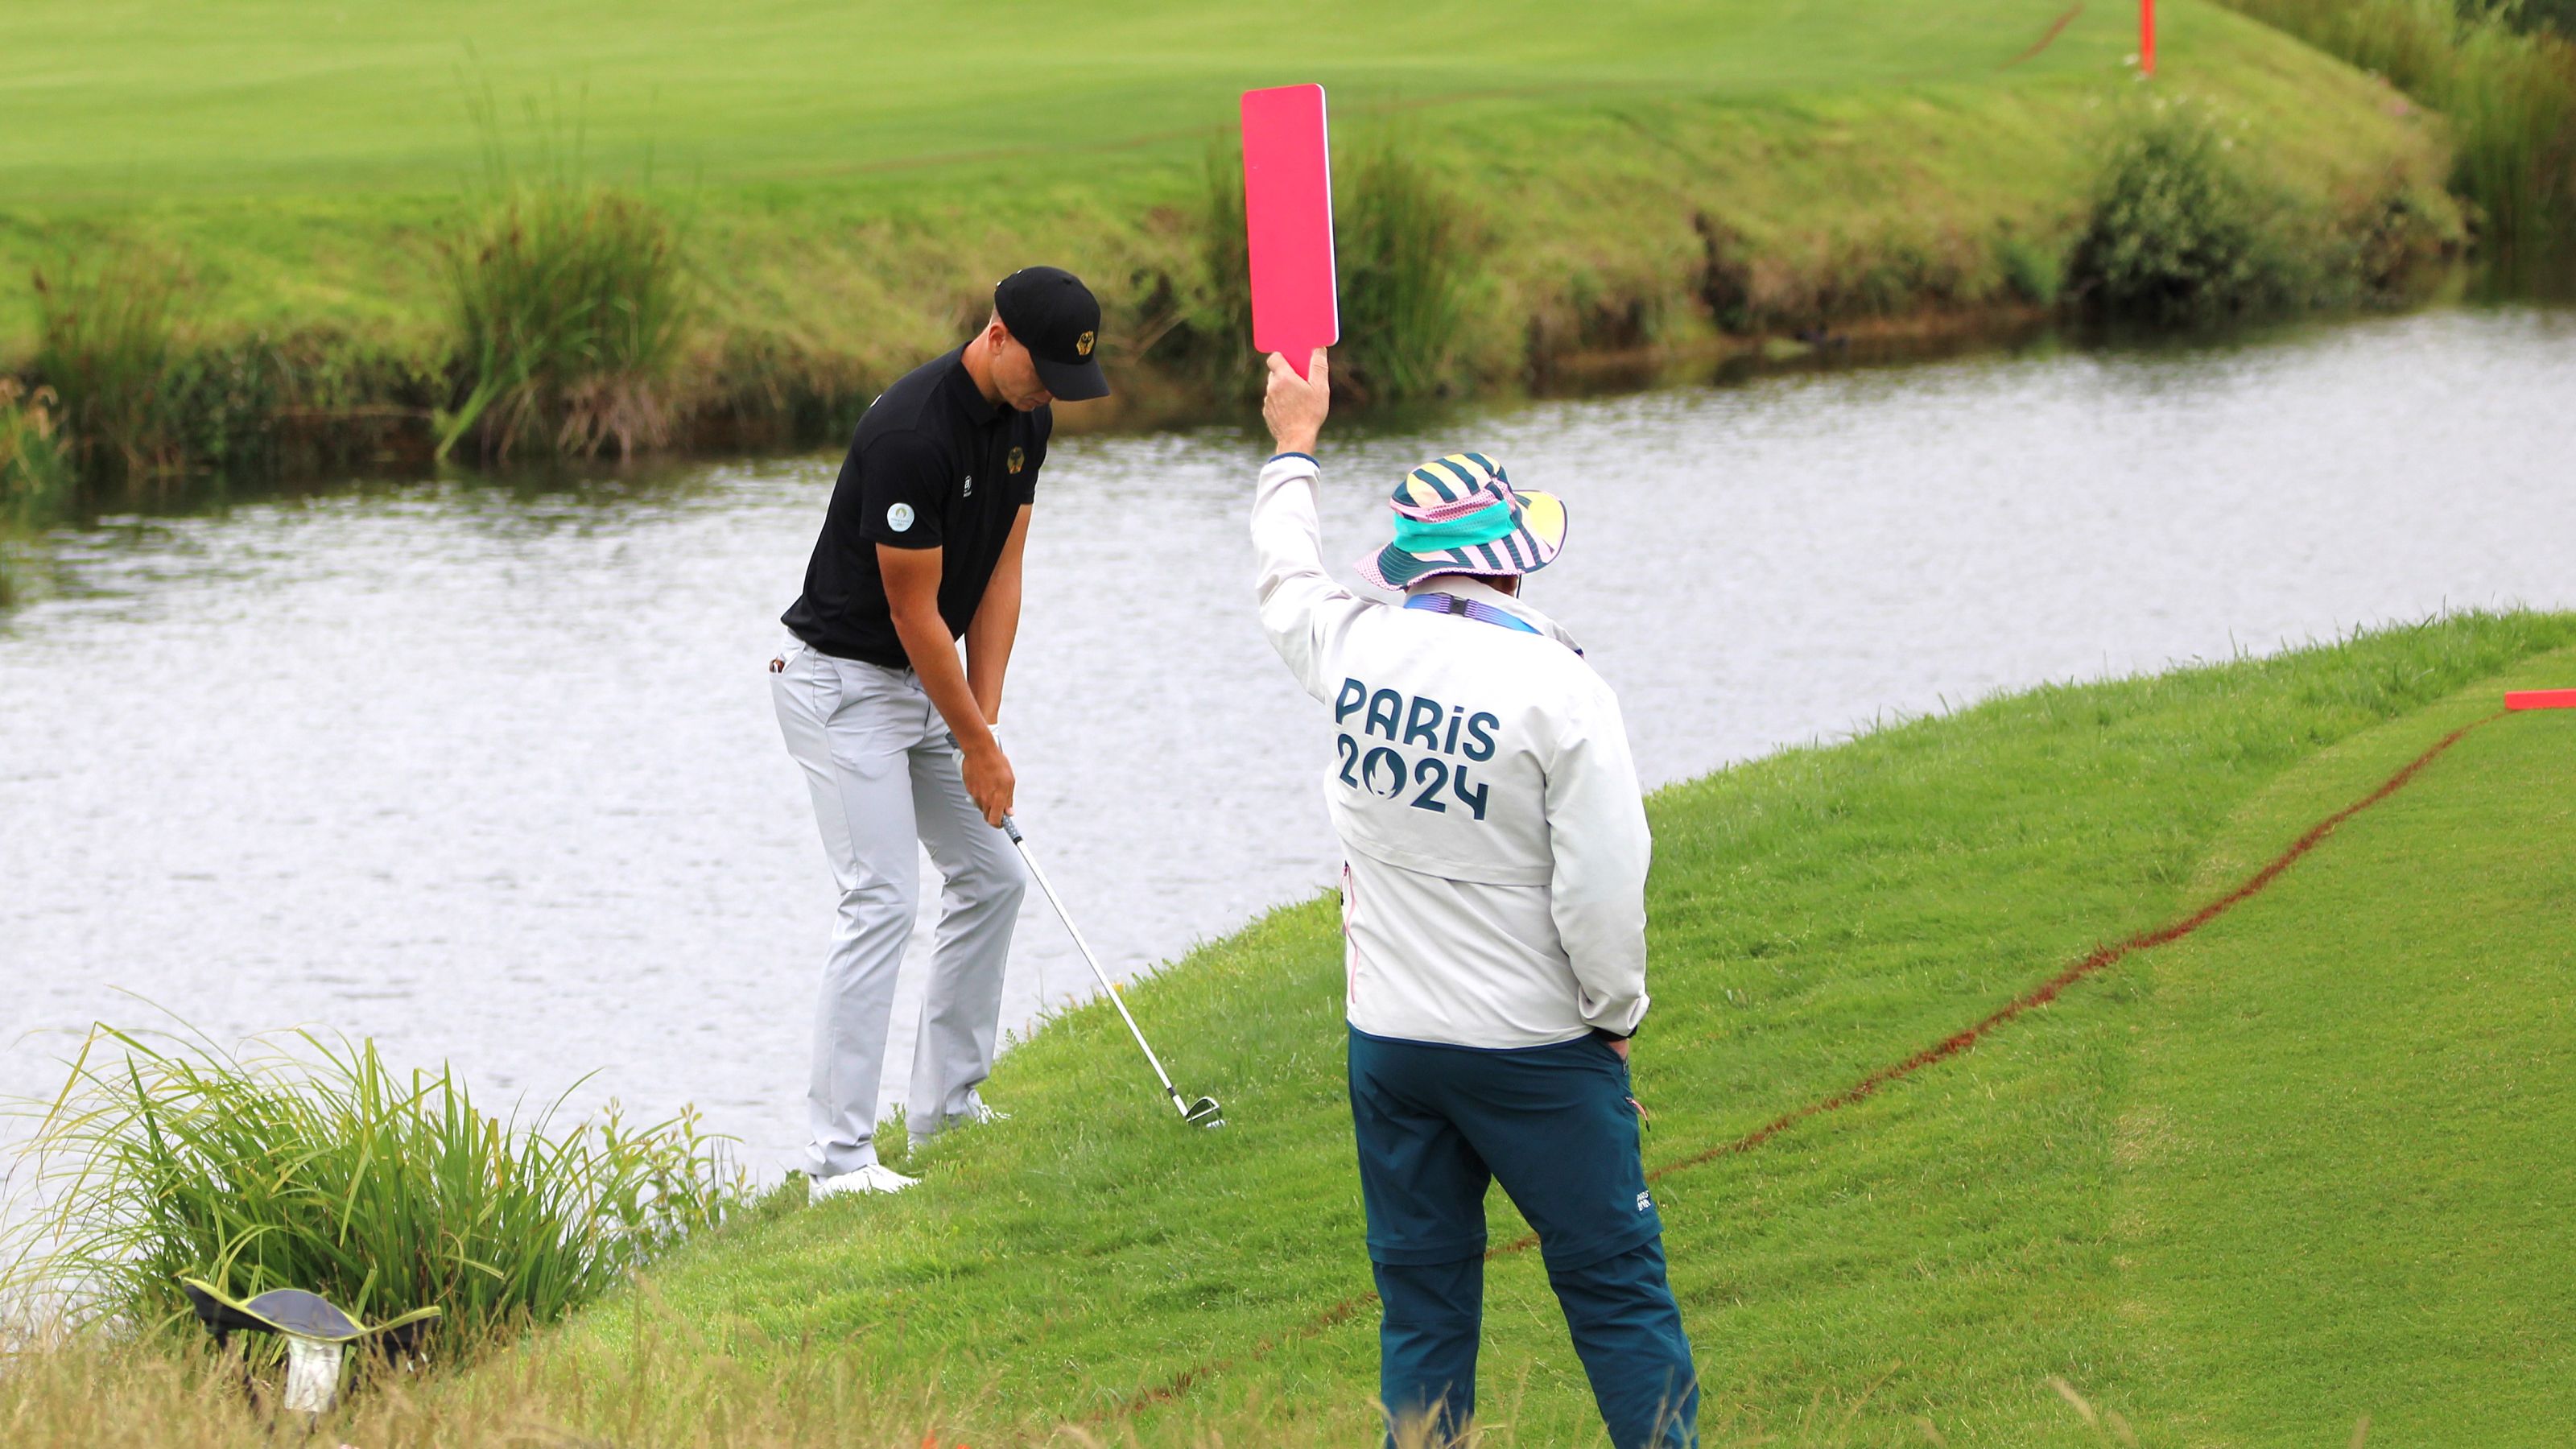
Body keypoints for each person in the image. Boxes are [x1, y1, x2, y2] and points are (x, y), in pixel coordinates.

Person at [1249, 349, 1698, 1447]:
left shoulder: (1354, 648)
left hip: (1392, 1048)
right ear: (1511, 566)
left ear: (1412, 564)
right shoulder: (1562, 690)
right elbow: (1602, 886)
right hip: (1538, 1048)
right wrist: (1616, 1020)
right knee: (1615, 1291)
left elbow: (1284, 576)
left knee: (1423, 1312)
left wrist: (1293, 445)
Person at [771, 266, 1109, 1198]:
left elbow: (1001, 572)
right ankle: (837, 1160)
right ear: (996, 335)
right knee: (880, 902)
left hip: (929, 686)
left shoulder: (1025, 419)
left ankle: (945, 1109)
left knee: (993, 876)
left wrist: (984, 721)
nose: (1050, 393)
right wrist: (972, 742)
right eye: (1040, 371)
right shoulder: (911, 433)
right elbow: (915, 612)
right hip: (842, 686)